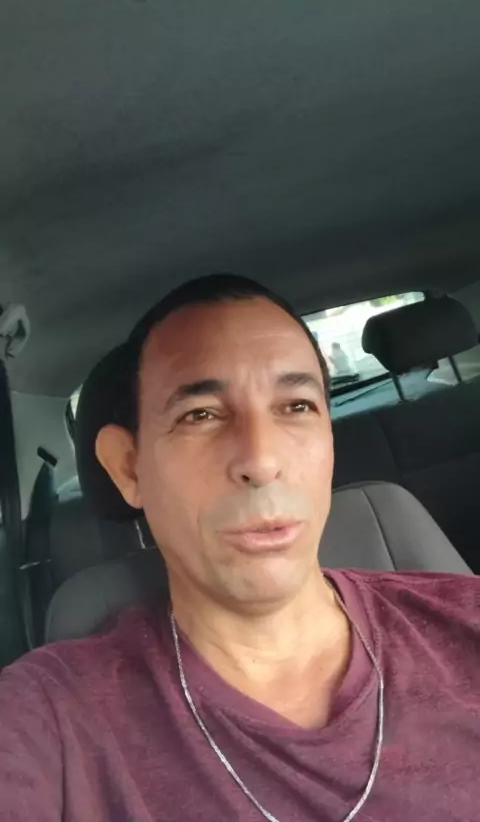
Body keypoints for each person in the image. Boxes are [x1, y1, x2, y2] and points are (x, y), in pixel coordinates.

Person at [0, 274, 479, 822]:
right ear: (129, 468)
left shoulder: (466, 619)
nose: (261, 460)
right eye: (199, 415)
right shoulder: (52, 720)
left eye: (296, 406)